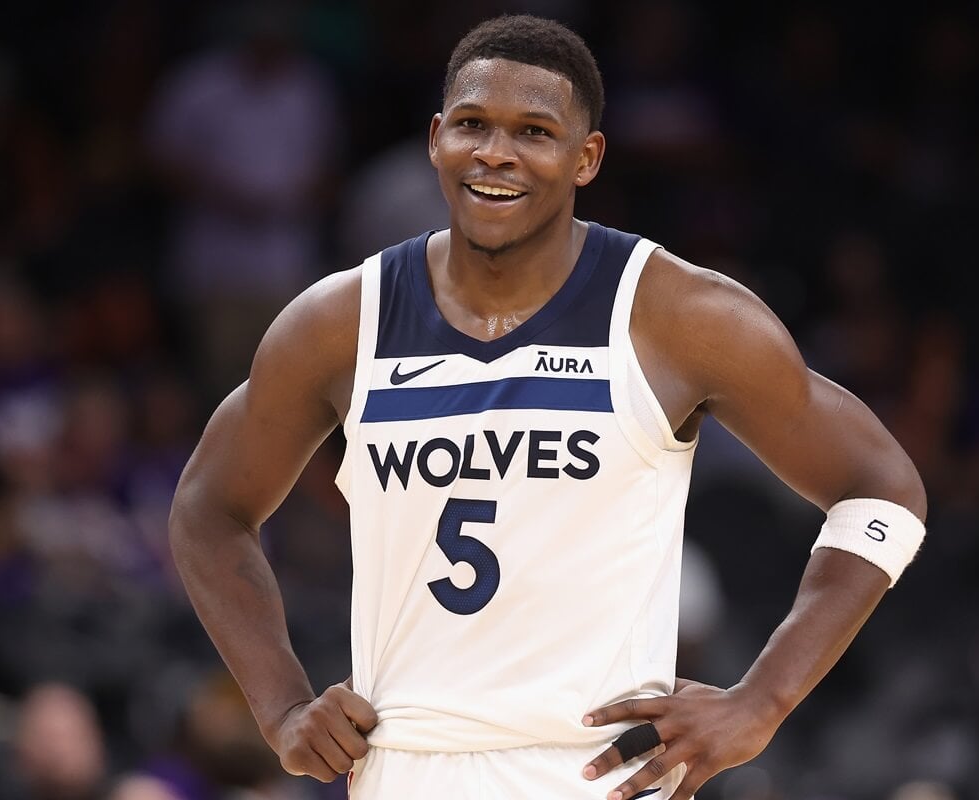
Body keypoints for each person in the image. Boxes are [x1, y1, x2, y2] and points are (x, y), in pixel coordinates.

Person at [169, 15, 927, 800]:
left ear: (585, 156)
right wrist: (282, 705)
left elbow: (882, 488)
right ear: (436, 139)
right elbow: (207, 506)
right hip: (404, 767)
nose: (495, 152)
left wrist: (762, 702)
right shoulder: (338, 324)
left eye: (534, 130)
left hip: (595, 771)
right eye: (472, 124)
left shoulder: (678, 315)